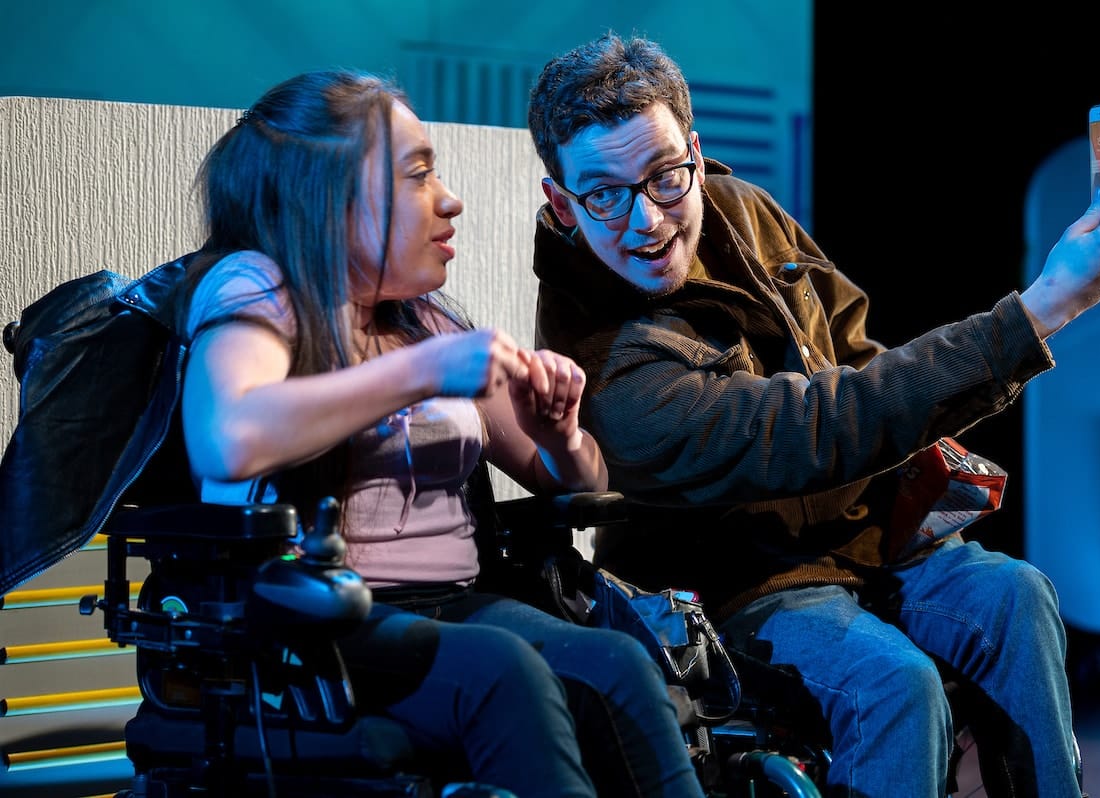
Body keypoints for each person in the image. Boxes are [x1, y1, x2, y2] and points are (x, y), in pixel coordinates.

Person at [526, 33, 1100, 798]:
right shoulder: (608, 362)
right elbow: (818, 426)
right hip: (741, 584)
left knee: (1017, 597)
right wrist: (1040, 311)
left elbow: (852, 349)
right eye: (604, 195)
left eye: (664, 179)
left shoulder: (740, 210)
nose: (646, 220)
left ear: (695, 152)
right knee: (894, 684)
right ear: (563, 202)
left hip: (866, 540)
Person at [176, 68, 705, 798]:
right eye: (418, 174)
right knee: (502, 671)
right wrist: (422, 371)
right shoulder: (258, 286)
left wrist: (559, 435)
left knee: (616, 662)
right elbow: (229, 438)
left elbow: (584, 484)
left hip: (457, 606)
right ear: (328, 195)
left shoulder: (425, 322)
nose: (449, 200)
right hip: (320, 624)